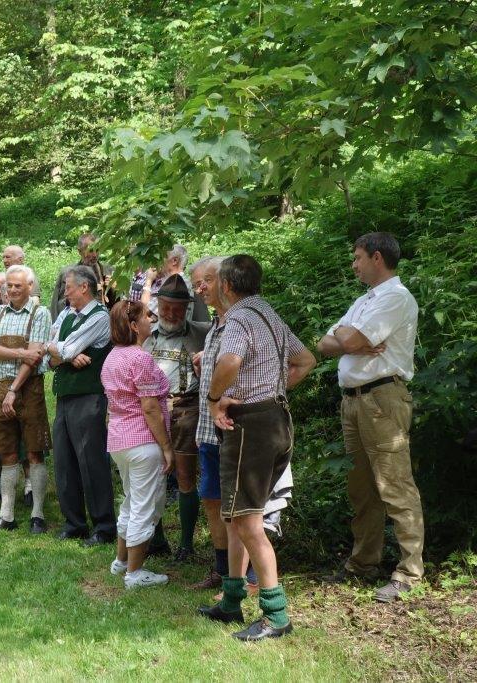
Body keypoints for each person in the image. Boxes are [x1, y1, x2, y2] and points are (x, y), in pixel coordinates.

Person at [200, 254, 316, 641]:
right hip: (277, 421)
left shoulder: (237, 318)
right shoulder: (269, 314)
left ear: (227, 286)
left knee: (249, 523)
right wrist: (273, 391)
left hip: (249, 427)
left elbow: (230, 361)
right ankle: (232, 600)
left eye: (215, 282)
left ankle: (276, 615)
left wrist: (214, 399)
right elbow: (305, 360)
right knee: (238, 516)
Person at [317, 232, 423, 603]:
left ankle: (409, 572)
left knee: (395, 484)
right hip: (354, 401)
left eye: (358, 257)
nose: (354, 265)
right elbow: (325, 343)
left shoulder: (396, 297)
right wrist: (350, 338)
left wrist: (348, 339)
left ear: (377, 258)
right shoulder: (365, 301)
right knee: (361, 488)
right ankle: (363, 564)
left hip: (382, 399)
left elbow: (344, 342)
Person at [101, 299, 174, 588]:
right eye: (146, 316)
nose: (151, 319)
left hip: (119, 440)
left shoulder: (112, 357)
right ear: (133, 325)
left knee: (132, 500)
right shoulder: (140, 358)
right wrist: (166, 446)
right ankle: (135, 573)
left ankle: (121, 562)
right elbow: (150, 408)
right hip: (143, 440)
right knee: (146, 505)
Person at [46, 265, 116, 545]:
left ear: (84, 287)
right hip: (65, 397)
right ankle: (74, 523)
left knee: (91, 462)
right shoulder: (66, 314)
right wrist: (65, 354)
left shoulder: (99, 316)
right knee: (64, 462)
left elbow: (60, 349)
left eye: (68, 287)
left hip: (89, 398)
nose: (65, 293)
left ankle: (104, 526)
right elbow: (49, 354)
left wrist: (62, 352)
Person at [144, 273, 210, 560]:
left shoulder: (203, 332)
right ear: (158, 305)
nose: (171, 313)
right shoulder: (145, 335)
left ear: (187, 308)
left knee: (185, 475)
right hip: (152, 410)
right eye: (166, 307)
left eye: (178, 308)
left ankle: (186, 544)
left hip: (187, 408)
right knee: (154, 475)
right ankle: (156, 539)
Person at [0, 264, 53, 536]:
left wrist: (14, 388)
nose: (11, 290)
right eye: (8, 286)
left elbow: (35, 359)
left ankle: (38, 514)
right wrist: (21, 353)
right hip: (1, 387)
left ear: (30, 287)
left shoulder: (40, 312)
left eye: (17, 286)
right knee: (7, 451)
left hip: (28, 389)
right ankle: (7, 514)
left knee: (34, 450)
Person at [189, 256, 233, 590]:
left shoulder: (240, 322)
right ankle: (222, 570)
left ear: (225, 280)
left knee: (238, 507)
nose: (201, 289)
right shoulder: (216, 324)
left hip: (233, 430)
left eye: (206, 281)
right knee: (212, 500)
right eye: (197, 284)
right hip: (208, 429)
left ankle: (245, 575)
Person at [50, 234, 117, 321]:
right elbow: (57, 306)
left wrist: (114, 289)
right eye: (91, 250)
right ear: (80, 251)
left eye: (97, 250)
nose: (95, 255)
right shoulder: (68, 274)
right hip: (77, 323)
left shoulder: (108, 271)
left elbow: (118, 306)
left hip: (104, 323)